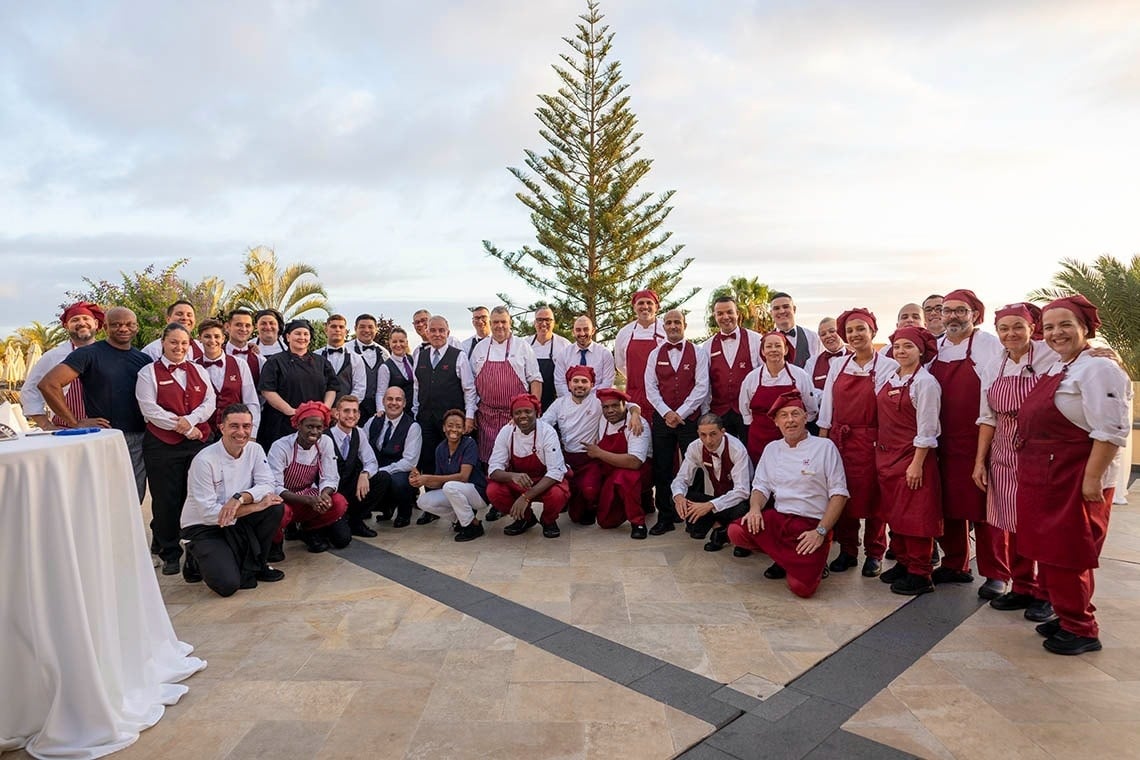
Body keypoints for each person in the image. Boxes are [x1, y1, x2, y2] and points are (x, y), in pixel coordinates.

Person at [1015, 296, 1132, 655]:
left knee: (1069, 553)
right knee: (1049, 551)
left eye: (1065, 324)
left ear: (1085, 327)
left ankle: (1081, 628)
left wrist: (1092, 479)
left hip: (1074, 475)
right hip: (1045, 473)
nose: (1056, 333)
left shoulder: (1099, 368)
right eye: (1049, 327)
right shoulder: (1062, 365)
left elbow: (1111, 430)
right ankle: (1065, 613)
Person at [972, 302, 1060, 620]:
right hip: (1004, 451)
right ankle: (1022, 586)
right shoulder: (993, 365)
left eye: (1017, 327)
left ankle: (1047, 594)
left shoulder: (1051, 356)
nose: (1011, 334)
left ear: (1032, 328)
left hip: (1041, 451)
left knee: (1041, 525)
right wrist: (980, 462)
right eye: (1004, 328)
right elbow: (987, 418)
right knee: (1011, 523)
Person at [728, 391, 849, 597]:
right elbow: (760, 487)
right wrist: (755, 508)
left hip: (812, 524)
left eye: (795, 414)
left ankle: (805, 560)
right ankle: (785, 559)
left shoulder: (824, 447)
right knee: (736, 532)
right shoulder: (772, 449)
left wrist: (820, 532)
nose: (790, 420)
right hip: (780, 520)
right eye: (783, 416)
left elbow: (839, 494)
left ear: (805, 417)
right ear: (776, 422)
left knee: (802, 589)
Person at [928, 289, 1007, 594]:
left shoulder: (989, 345)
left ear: (975, 314)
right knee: (948, 505)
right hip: (942, 440)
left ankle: (996, 573)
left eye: (960, 310)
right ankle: (954, 564)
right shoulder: (935, 347)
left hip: (979, 439)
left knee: (985, 509)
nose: (953, 316)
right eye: (947, 310)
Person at [39, 306, 152, 500]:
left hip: (139, 439)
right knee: (103, 498)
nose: (123, 328)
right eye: (116, 324)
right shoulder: (88, 354)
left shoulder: (143, 359)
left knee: (134, 497)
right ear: (105, 327)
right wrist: (75, 422)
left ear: (136, 327)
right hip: (105, 437)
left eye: (129, 324)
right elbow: (48, 384)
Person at [817, 309, 898, 578]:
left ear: (872, 332)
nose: (855, 335)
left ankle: (875, 552)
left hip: (873, 440)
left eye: (861, 329)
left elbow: (890, 408)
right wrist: (823, 442)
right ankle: (848, 550)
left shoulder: (888, 366)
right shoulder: (838, 366)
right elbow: (827, 406)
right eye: (850, 331)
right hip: (841, 439)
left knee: (875, 497)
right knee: (842, 493)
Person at [180, 403, 286, 596]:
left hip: (235, 519)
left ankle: (258, 564)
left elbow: (267, 484)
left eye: (246, 426)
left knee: (274, 508)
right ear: (222, 428)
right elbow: (209, 513)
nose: (241, 432)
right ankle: (194, 558)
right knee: (227, 585)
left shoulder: (255, 449)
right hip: (205, 526)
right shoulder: (204, 461)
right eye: (234, 426)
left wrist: (240, 498)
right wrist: (254, 507)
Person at [136, 323, 216, 575]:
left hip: (197, 442)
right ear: (163, 342)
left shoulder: (198, 370)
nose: (179, 347)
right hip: (162, 445)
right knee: (166, 500)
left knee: (197, 495)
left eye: (184, 343)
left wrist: (191, 422)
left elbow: (209, 401)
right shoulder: (148, 372)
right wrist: (183, 428)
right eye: (173, 342)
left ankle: (196, 549)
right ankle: (169, 552)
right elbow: (149, 409)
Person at [876, 327, 943, 596]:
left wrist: (917, 464)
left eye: (908, 346)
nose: (901, 351)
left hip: (914, 456)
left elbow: (928, 428)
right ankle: (903, 562)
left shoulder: (925, 383)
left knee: (916, 516)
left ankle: (920, 572)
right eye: (897, 346)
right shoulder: (891, 377)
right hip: (888, 456)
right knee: (896, 513)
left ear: (920, 351)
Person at [543, 366, 644, 525]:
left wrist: (636, 414)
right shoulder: (559, 404)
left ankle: (593, 505)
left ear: (591, 385)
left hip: (590, 458)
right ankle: (573, 502)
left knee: (590, 490)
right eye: (576, 381)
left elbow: (628, 404)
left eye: (584, 381)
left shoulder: (598, 402)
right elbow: (544, 424)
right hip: (567, 459)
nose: (580, 385)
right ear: (569, 384)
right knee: (575, 515)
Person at [644, 309, 709, 535]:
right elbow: (650, 388)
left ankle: (695, 518)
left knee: (695, 467)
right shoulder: (655, 354)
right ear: (664, 327)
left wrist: (680, 413)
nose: (673, 326)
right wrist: (666, 413)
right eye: (669, 322)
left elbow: (702, 386)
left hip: (690, 419)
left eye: (677, 322)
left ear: (684, 325)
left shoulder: (698, 353)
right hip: (662, 419)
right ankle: (666, 516)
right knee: (662, 468)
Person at [267, 401, 351, 555]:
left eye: (319, 427)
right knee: (279, 511)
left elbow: (330, 476)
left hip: (308, 494)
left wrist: (324, 495)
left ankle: (309, 530)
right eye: (309, 426)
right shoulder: (281, 447)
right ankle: (275, 543)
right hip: (285, 498)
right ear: (298, 425)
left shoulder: (325, 442)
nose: (314, 432)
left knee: (338, 502)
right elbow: (275, 486)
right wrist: (308, 500)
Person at [486, 393, 570, 538]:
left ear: (537, 413)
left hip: (544, 481)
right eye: (517, 413)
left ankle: (548, 520)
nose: (523, 416)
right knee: (493, 491)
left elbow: (555, 472)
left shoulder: (547, 432)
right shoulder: (506, 432)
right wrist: (512, 476)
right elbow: (493, 469)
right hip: (519, 482)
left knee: (558, 494)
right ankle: (525, 519)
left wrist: (526, 497)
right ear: (512, 416)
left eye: (528, 411)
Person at [469, 306, 542, 471]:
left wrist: (534, 410)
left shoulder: (522, 347)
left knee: (517, 459)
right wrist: (472, 412)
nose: (499, 326)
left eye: (503, 322)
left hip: (517, 417)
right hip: (487, 417)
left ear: (510, 323)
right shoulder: (480, 348)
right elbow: (471, 385)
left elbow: (535, 380)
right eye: (495, 322)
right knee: (489, 462)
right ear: (490, 323)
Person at [671, 413, 753, 552]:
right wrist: (679, 498)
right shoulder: (695, 447)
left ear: (723, 432)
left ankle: (733, 535)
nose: (708, 440)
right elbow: (681, 479)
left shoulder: (737, 449)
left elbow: (742, 491)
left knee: (742, 508)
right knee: (676, 498)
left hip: (739, 501)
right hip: (718, 497)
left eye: (713, 434)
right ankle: (718, 526)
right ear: (698, 433)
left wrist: (710, 505)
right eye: (703, 435)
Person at [579, 388, 652, 538]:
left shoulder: (637, 423)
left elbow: (635, 462)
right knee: (605, 521)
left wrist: (599, 453)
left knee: (625, 477)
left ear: (624, 405)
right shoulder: (603, 418)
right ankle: (594, 506)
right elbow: (632, 405)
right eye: (606, 407)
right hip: (611, 468)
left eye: (615, 406)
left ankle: (637, 522)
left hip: (637, 471)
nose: (610, 410)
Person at [257, 318, 339, 449]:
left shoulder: (321, 362)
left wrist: (323, 409)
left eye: (306, 334)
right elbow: (267, 390)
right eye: (298, 333)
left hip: (315, 422)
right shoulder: (275, 361)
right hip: (283, 423)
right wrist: (291, 411)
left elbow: (332, 387)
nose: (302, 337)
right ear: (288, 337)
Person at [411, 408, 489, 542]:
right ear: (443, 428)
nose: (454, 429)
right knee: (423, 501)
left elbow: (463, 477)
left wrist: (428, 477)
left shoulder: (469, 444)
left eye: (458, 426)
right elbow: (438, 483)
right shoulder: (440, 449)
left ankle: (472, 527)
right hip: (455, 492)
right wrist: (421, 481)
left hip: (477, 493)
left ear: (464, 429)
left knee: (449, 486)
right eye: (450, 425)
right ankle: (464, 520)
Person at [411, 315, 477, 475]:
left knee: (452, 460)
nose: (437, 334)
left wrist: (469, 417)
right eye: (433, 330)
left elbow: (469, 389)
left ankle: (451, 489)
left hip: (452, 421)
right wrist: (415, 413)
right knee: (428, 459)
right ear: (427, 332)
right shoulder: (420, 355)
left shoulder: (459, 356)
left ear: (448, 333)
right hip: (426, 419)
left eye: (441, 330)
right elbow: (417, 388)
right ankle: (431, 489)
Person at [22, 301, 102, 429]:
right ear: (66, 326)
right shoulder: (53, 356)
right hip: (66, 431)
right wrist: (45, 424)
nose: (81, 323)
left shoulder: (107, 353)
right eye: (75, 320)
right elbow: (29, 390)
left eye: (86, 318)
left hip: (105, 430)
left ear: (96, 323)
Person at [739, 331, 816, 464]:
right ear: (762, 352)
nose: (773, 350)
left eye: (778, 346)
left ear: (785, 350)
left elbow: (811, 408)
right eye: (769, 346)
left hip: (793, 438)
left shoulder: (800, 375)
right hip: (760, 439)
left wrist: (796, 428)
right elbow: (745, 410)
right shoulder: (752, 378)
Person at [702, 296, 763, 441]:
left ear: (738, 314)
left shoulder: (756, 339)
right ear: (715, 317)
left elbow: (764, 375)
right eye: (720, 313)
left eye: (729, 312)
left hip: (749, 411)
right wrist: (705, 412)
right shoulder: (707, 346)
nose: (725, 317)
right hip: (719, 412)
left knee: (751, 450)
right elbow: (705, 382)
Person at [361, 386, 422, 527]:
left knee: (398, 483)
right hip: (376, 467)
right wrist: (367, 470)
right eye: (389, 399)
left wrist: (381, 471)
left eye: (398, 400)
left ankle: (404, 513)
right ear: (383, 401)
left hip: (398, 471)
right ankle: (382, 509)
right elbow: (361, 446)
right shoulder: (373, 421)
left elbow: (409, 462)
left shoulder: (413, 427)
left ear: (404, 403)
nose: (394, 403)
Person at [196, 319, 260, 439]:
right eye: (207, 336)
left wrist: (252, 433)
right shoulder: (194, 366)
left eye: (216, 336)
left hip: (235, 432)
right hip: (203, 434)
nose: (212, 340)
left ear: (223, 338)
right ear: (200, 338)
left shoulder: (240, 364)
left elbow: (251, 401)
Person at [326, 395, 380, 537]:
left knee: (382, 478)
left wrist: (365, 474)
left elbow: (371, 461)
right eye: (346, 411)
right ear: (337, 413)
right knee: (342, 538)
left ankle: (356, 520)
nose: (351, 415)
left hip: (350, 487)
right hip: (331, 492)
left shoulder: (359, 433)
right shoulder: (325, 437)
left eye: (355, 411)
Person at [613, 289, 666, 417]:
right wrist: (637, 380)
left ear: (657, 307)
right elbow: (620, 364)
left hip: (662, 393)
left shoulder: (665, 330)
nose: (645, 307)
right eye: (641, 303)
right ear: (634, 307)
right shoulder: (624, 333)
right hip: (635, 394)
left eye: (649, 303)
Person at [553, 316, 616, 397]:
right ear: (573, 332)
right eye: (578, 330)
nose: (582, 333)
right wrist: (573, 401)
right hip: (569, 401)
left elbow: (607, 382)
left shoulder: (605, 354)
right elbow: (560, 383)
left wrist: (590, 400)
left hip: (598, 401)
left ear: (593, 331)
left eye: (586, 329)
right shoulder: (563, 354)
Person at [345, 313, 391, 420]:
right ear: (355, 328)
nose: (366, 330)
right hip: (352, 408)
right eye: (362, 327)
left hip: (378, 409)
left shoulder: (384, 353)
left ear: (376, 329)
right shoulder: (346, 350)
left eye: (370, 327)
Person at [315, 314, 367, 404]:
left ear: (346, 332)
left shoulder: (356, 358)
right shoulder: (315, 356)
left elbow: (359, 388)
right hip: (319, 409)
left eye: (341, 327)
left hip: (347, 410)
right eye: (333, 326)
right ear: (326, 330)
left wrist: (345, 407)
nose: (337, 329)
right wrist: (323, 408)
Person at [529, 306, 572, 413]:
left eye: (548, 320)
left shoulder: (565, 345)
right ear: (534, 323)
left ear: (554, 323)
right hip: (529, 402)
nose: (544, 324)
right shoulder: (525, 344)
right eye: (540, 320)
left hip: (556, 401)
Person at [804, 316, 850, 405]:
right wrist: (831, 398)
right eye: (823, 334)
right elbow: (808, 390)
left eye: (832, 331)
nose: (828, 336)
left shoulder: (856, 358)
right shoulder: (811, 363)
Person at [769, 292, 821, 369]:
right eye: (776, 308)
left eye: (786, 307)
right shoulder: (765, 341)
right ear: (771, 313)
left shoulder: (812, 337)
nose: (782, 311)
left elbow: (820, 365)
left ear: (794, 309)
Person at [376, 326, 416, 412]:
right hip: (396, 411)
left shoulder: (412, 360)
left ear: (406, 343)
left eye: (401, 341)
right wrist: (381, 410)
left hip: (414, 410)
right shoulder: (385, 367)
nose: (398, 345)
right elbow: (381, 393)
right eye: (394, 342)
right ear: (389, 343)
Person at [224, 308, 265, 387]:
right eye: (238, 325)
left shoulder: (260, 359)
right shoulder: (216, 355)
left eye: (247, 325)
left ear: (252, 329)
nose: (243, 329)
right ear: (227, 327)